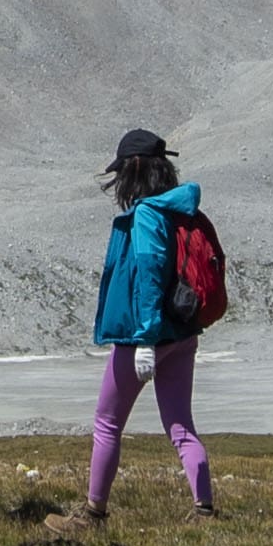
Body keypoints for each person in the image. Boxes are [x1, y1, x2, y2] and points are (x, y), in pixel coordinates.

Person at [80, 126, 216, 524]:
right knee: (180, 424)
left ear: (134, 169)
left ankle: (94, 511)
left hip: (145, 335)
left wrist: (143, 338)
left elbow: (149, 274)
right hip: (182, 333)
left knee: (107, 423)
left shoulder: (147, 216)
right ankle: (203, 506)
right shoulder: (183, 209)